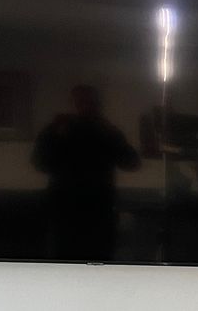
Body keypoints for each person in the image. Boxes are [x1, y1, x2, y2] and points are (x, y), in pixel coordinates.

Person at [31, 82, 140, 261]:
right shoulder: (55, 130)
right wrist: (56, 135)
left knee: (101, 263)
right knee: (63, 263)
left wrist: (111, 132)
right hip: (64, 211)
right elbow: (39, 164)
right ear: (71, 105)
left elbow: (132, 163)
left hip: (100, 212)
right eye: (80, 102)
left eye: (91, 103)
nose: (86, 107)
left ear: (98, 105)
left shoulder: (107, 131)